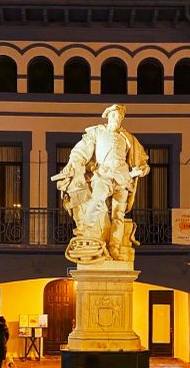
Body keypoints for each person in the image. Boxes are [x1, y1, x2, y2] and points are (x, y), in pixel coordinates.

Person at [52, 104, 149, 261]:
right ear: (108, 116)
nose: (117, 120)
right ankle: (85, 229)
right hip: (103, 175)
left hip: (123, 177)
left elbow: (142, 161)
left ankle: (114, 246)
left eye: (120, 117)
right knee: (97, 199)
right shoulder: (97, 132)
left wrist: (143, 169)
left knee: (118, 214)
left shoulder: (128, 138)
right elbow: (80, 151)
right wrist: (74, 163)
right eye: (115, 116)